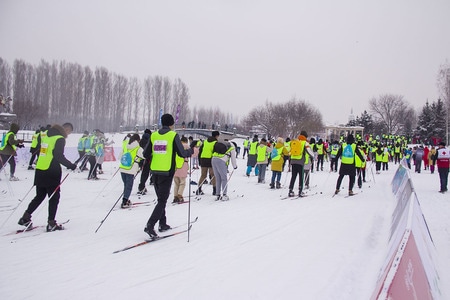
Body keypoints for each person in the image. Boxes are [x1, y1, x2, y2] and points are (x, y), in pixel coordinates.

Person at [18, 123, 77, 231]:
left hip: (40, 168)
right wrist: (71, 165)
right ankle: (51, 223)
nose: (68, 134)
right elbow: (58, 155)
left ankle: (25, 217)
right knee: (54, 197)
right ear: (66, 129)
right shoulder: (59, 139)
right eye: (69, 132)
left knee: (40, 196)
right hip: (51, 171)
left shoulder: (46, 136)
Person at [143, 114, 193, 239]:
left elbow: (145, 153)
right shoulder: (172, 135)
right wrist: (190, 151)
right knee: (162, 200)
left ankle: (163, 223)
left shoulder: (154, 135)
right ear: (171, 124)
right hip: (167, 172)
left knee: (161, 198)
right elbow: (181, 153)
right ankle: (150, 225)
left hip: (154, 171)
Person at [119, 133, 143, 208]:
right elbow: (144, 155)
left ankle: (126, 198)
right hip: (131, 169)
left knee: (126, 185)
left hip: (123, 168)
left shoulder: (126, 146)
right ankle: (125, 201)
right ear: (138, 140)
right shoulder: (138, 148)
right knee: (129, 186)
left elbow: (120, 156)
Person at [288, 131, 314, 197]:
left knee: (293, 176)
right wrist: (313, 157)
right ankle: (300, 191)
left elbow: (290, 151)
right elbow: (310, 152)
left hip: (293, 161)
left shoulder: (295, 142)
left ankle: (290, 190)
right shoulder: (305, 143)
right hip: (300, 162)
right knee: (301, 177)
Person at [196, 131, 220, 195]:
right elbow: (216, 152)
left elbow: (200, 151)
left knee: (203, 175)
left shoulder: (205, 141)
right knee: (213, 175)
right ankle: (215, 190)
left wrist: (199, 160)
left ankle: (199, 189)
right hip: (211, 159)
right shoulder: (215, 142)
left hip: (203, 159)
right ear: (217, 136)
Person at [172, 136, 190, 203]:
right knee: (182, 182)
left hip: (175, 166)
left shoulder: (176, 146)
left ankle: (175, 196)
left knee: (176, 183)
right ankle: (180, 195)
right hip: (183, 165)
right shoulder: (186, 146)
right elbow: (191, 152)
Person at [137, 129, 152, 195]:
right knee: (147, 173)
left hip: (140, 159)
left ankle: (141, 186)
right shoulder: (150, 140)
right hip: (148, 159)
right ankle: (142, 186)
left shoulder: (141, 140)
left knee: (144, 173)